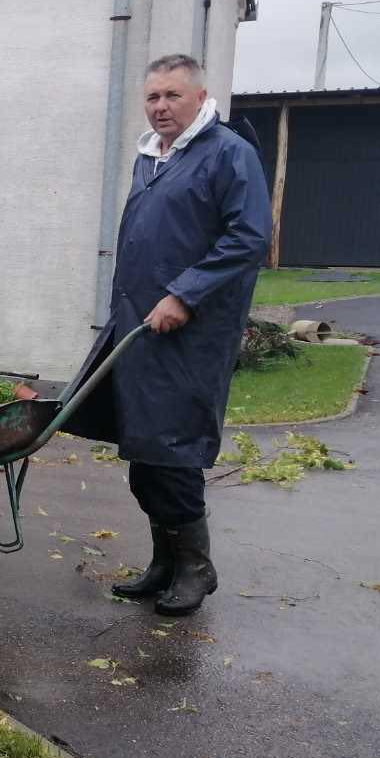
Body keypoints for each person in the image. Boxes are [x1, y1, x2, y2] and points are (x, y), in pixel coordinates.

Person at [65, 54, 270, 616]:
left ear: (200, 98)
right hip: (140, 326)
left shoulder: (228, 153)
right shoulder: (151, 157)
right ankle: (165, 562)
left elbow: (250, 236)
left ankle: (196, 569)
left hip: (189, 337)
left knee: (172, 452)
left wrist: (185, 294)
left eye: (172, 95)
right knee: (145, 454)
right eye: (152, 96)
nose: (160, 106)